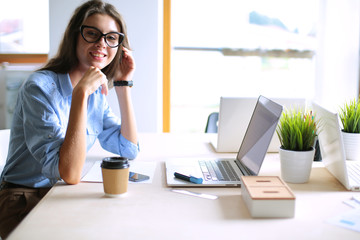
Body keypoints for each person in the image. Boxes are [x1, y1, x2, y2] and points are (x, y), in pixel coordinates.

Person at [0, 0, 139, 238]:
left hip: (62, 194)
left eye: (111, 38)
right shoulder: (40, 88)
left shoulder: (95, 91)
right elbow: (69, 173)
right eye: (92, 34)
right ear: (75, 35)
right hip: (23, 199)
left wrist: (123, 84)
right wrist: (80, 95)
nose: (101, 44)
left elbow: (127, 149)